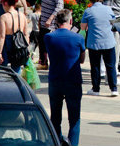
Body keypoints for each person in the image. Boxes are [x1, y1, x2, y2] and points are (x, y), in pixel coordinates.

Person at [44, 10, 85, 146]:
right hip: (73, 81)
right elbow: (82, 60)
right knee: (74, 119)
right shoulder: (78, 38)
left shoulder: (49, 37)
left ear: (57, 21)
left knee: (55, 117)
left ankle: (57, 141)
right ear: (70, 21)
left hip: (55, 80)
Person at [80, 0, 118, 96]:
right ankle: (114, 89)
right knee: (110, 66)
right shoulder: (108, 9)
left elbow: (83, 27)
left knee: (95, 66)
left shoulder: (88, 11)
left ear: (90, 1)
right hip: (108, 41)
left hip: (94, 42)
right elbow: (114, 23)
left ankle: (96, 89)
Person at [0, 0, 29, 73]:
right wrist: (26, 49)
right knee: (17, 66)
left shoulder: (4, 17)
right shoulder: (22, 16)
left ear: (5, 4)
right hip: (20, 43)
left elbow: (2, 36)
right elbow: (26, 34)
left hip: (8, 43)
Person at [38, 0, 64, 69]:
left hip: (52, 23)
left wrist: (50, 19)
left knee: (50, 43)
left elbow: (59, 6)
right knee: (42, 41)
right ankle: (43, 63)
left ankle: (54, 63)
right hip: (43, 19)